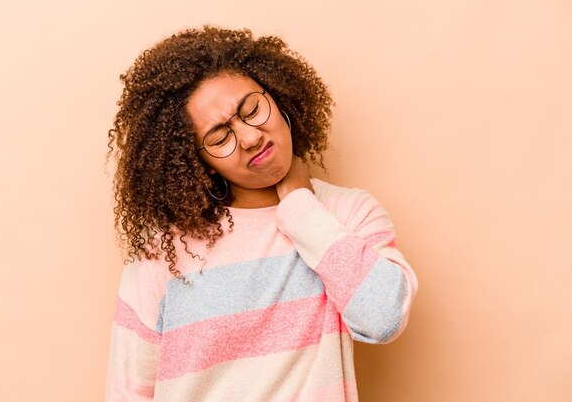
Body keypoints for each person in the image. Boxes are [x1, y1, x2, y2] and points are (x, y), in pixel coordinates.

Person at [104, 25, 418, 402]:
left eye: (252, 109)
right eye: (220, 136)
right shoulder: (164, 254)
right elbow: (128, 392)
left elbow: (384, 317)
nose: (251, 137)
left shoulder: (346, 214)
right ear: (196, 161)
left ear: (279, 96)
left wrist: (301, 209)